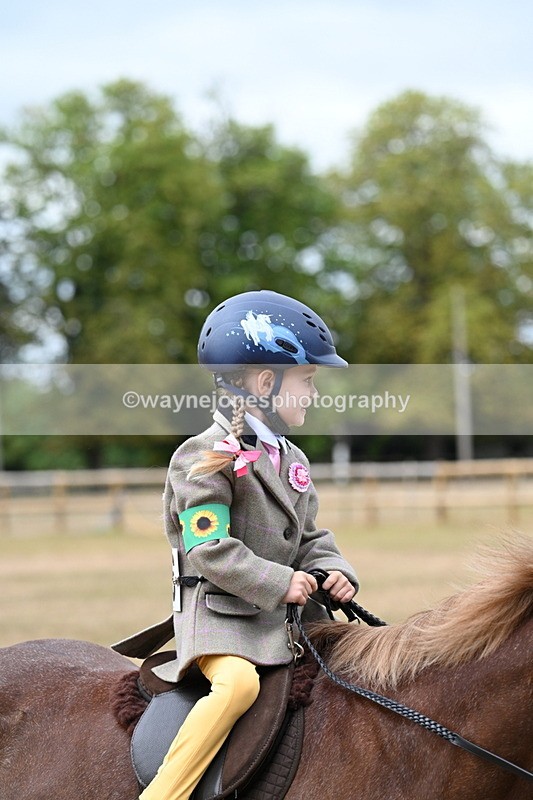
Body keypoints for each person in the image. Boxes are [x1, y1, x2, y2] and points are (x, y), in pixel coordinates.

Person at [139, 289, 358, 800]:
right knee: (238, 686)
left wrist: (331, 569)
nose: (313, 393)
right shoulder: (203, 456)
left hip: (281, 622)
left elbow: (307, 535)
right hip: (220, 620)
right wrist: (282, 582)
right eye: (307, 381)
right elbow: (209, 547)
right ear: (266, 382)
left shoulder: (290, 457)